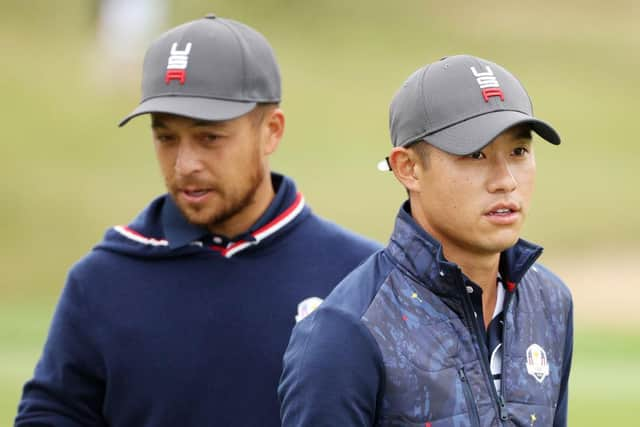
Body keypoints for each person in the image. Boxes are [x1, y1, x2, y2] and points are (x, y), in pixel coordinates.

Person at [15, 15, 381, 427]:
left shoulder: (364, 279)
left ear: (271, 131)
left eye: (210, 137)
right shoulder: (102, 281)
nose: (184, 165)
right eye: (166, 137)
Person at [279, 55, 573, 427]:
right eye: (475, 154)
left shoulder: (548, 302)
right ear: (408, 168)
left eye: (519, 152)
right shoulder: (347, 331)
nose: (506, 180)